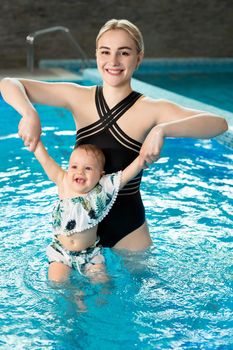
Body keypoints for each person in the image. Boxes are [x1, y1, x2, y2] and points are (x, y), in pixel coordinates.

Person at [0, 19, 228, 252]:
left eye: (124, 53)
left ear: (138, 58)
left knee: (138, 283)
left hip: (128, 229)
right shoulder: (78, 96)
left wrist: (163, 129)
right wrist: (29, 113)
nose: (113, 61)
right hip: (79, 227)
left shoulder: (151, 109)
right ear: (97, 55)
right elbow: (10, 83)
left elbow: (218, 124)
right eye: (105, 52)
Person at [33, 140, 144, 282]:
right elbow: (45, 160)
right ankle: (75, 298)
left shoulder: (102, 190)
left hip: (90, 254)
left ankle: (95, 301)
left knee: (102, 283)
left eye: (88, 169)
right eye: (74, 166)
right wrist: (35, 142)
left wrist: (142, 159)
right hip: (61, 252)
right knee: (56, 282)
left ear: (100, 174)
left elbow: (126, 175)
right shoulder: (63, 181)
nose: (80, 172)